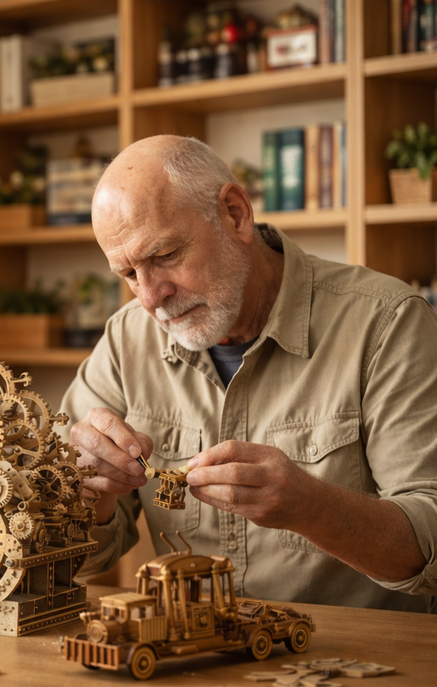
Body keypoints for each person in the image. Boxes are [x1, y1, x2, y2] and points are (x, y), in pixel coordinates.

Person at [59, 135, 437, 612]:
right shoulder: (125, 339)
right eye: (130, 274)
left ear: (235, 214)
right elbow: (75, 561)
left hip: (356, 651)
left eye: (165, 255)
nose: (151, 298)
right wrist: (88, 497)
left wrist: (312, 508)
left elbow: (430, 543)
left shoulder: (386, 322)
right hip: (190, 649)